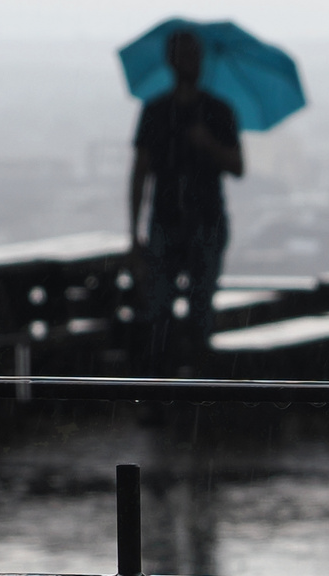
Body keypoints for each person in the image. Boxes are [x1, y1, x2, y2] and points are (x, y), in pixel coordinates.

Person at [128, 29, 244, 372]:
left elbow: (237, 165)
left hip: (204, 221)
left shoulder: (217, 111)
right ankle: (171, 394)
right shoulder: (156, 111)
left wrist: (207, 144)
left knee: (198, 312)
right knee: (160, 312)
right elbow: (140, 173)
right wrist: (134, 232)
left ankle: (187, 394)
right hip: (168, 221)